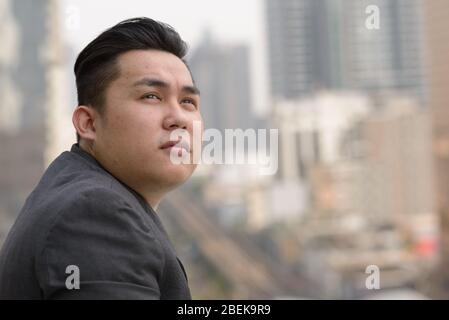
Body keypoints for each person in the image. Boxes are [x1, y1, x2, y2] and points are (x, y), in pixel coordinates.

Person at [0, 17, 203, 299]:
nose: (178, 118)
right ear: (89, 124)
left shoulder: (79, 192)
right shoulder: (95, 212)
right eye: (152, 96)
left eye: (188, 102)